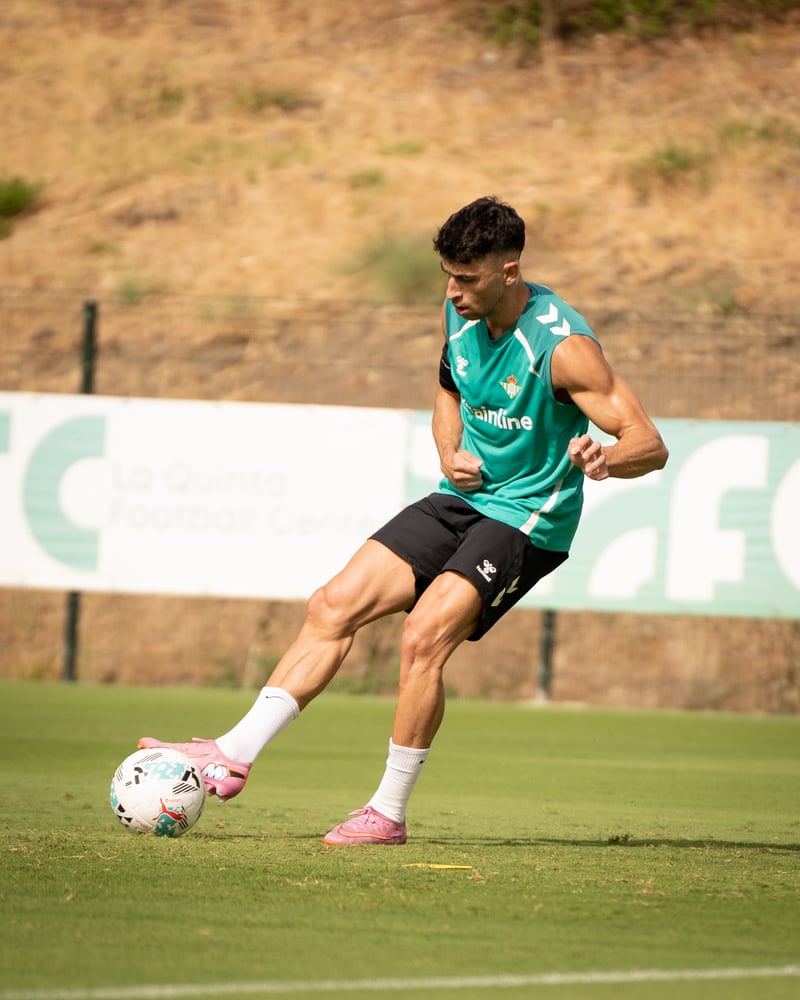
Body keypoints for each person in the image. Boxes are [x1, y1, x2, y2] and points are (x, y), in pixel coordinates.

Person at [139, 196, 668, 845]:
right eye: (447, 276)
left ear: (508, 271)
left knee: (422, 638)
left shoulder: (563, 347)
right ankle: (233, 753)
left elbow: (650, 443)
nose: (452, 291)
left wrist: (606, 458)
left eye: (466, 278)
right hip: (464, 498)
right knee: (333, 604)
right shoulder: (462, 311)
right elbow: (449, 384)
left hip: (530, 518)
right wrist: (448, 450)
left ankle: (386, 813)